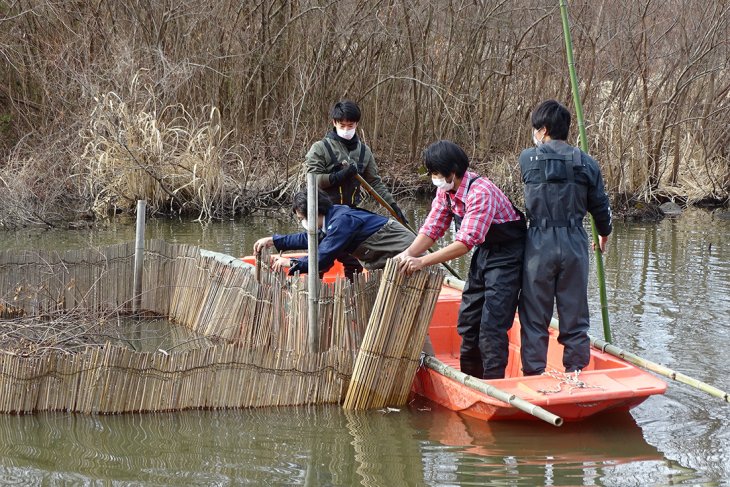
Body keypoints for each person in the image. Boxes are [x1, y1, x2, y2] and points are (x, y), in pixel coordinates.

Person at [396, 140, 527, 380]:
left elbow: (465, 243)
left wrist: (423, 262)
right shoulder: (445, 192)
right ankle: (470, 380)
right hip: (485, 252)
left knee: (492, 326)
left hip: (508, 255)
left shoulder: (480, 191)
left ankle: (493, 384)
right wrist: (408, 255)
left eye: (436, 173)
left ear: (453, 173)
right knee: (469, 320)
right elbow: (432, 228)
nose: (434, 178)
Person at [518, 99, 612, 377]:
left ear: (543, 129)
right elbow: (600, 206)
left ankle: (534, 375)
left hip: (538, 241)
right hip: (574, 241)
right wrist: (604, 235)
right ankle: (576, 374)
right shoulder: (587, 162)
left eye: (536, 128)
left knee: (535, 315)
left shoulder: (527, 159)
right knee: (575, 313)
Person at [305, 99, 408, 278]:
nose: (346, 129)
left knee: (353, 262)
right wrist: (340, 175)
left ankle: (353, 297)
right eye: (342, 125)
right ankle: (314, 297)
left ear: (356, 124)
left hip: (351, 216)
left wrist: (393, 206)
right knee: (320, 260)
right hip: (324, 215)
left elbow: (374, 183)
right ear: (334, 123)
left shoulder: (364, 151)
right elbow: (313, 179)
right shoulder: (320, 148)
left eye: (350, 125)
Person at [253, 190, 414, 276]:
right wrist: (273, 241)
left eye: (302, 218)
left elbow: (323, 257)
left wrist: (291, 263)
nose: (302, 222)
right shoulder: (330, 219)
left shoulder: (341, 222)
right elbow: (310, 239)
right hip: (390, 258)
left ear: (315, 212)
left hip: (407, 253)